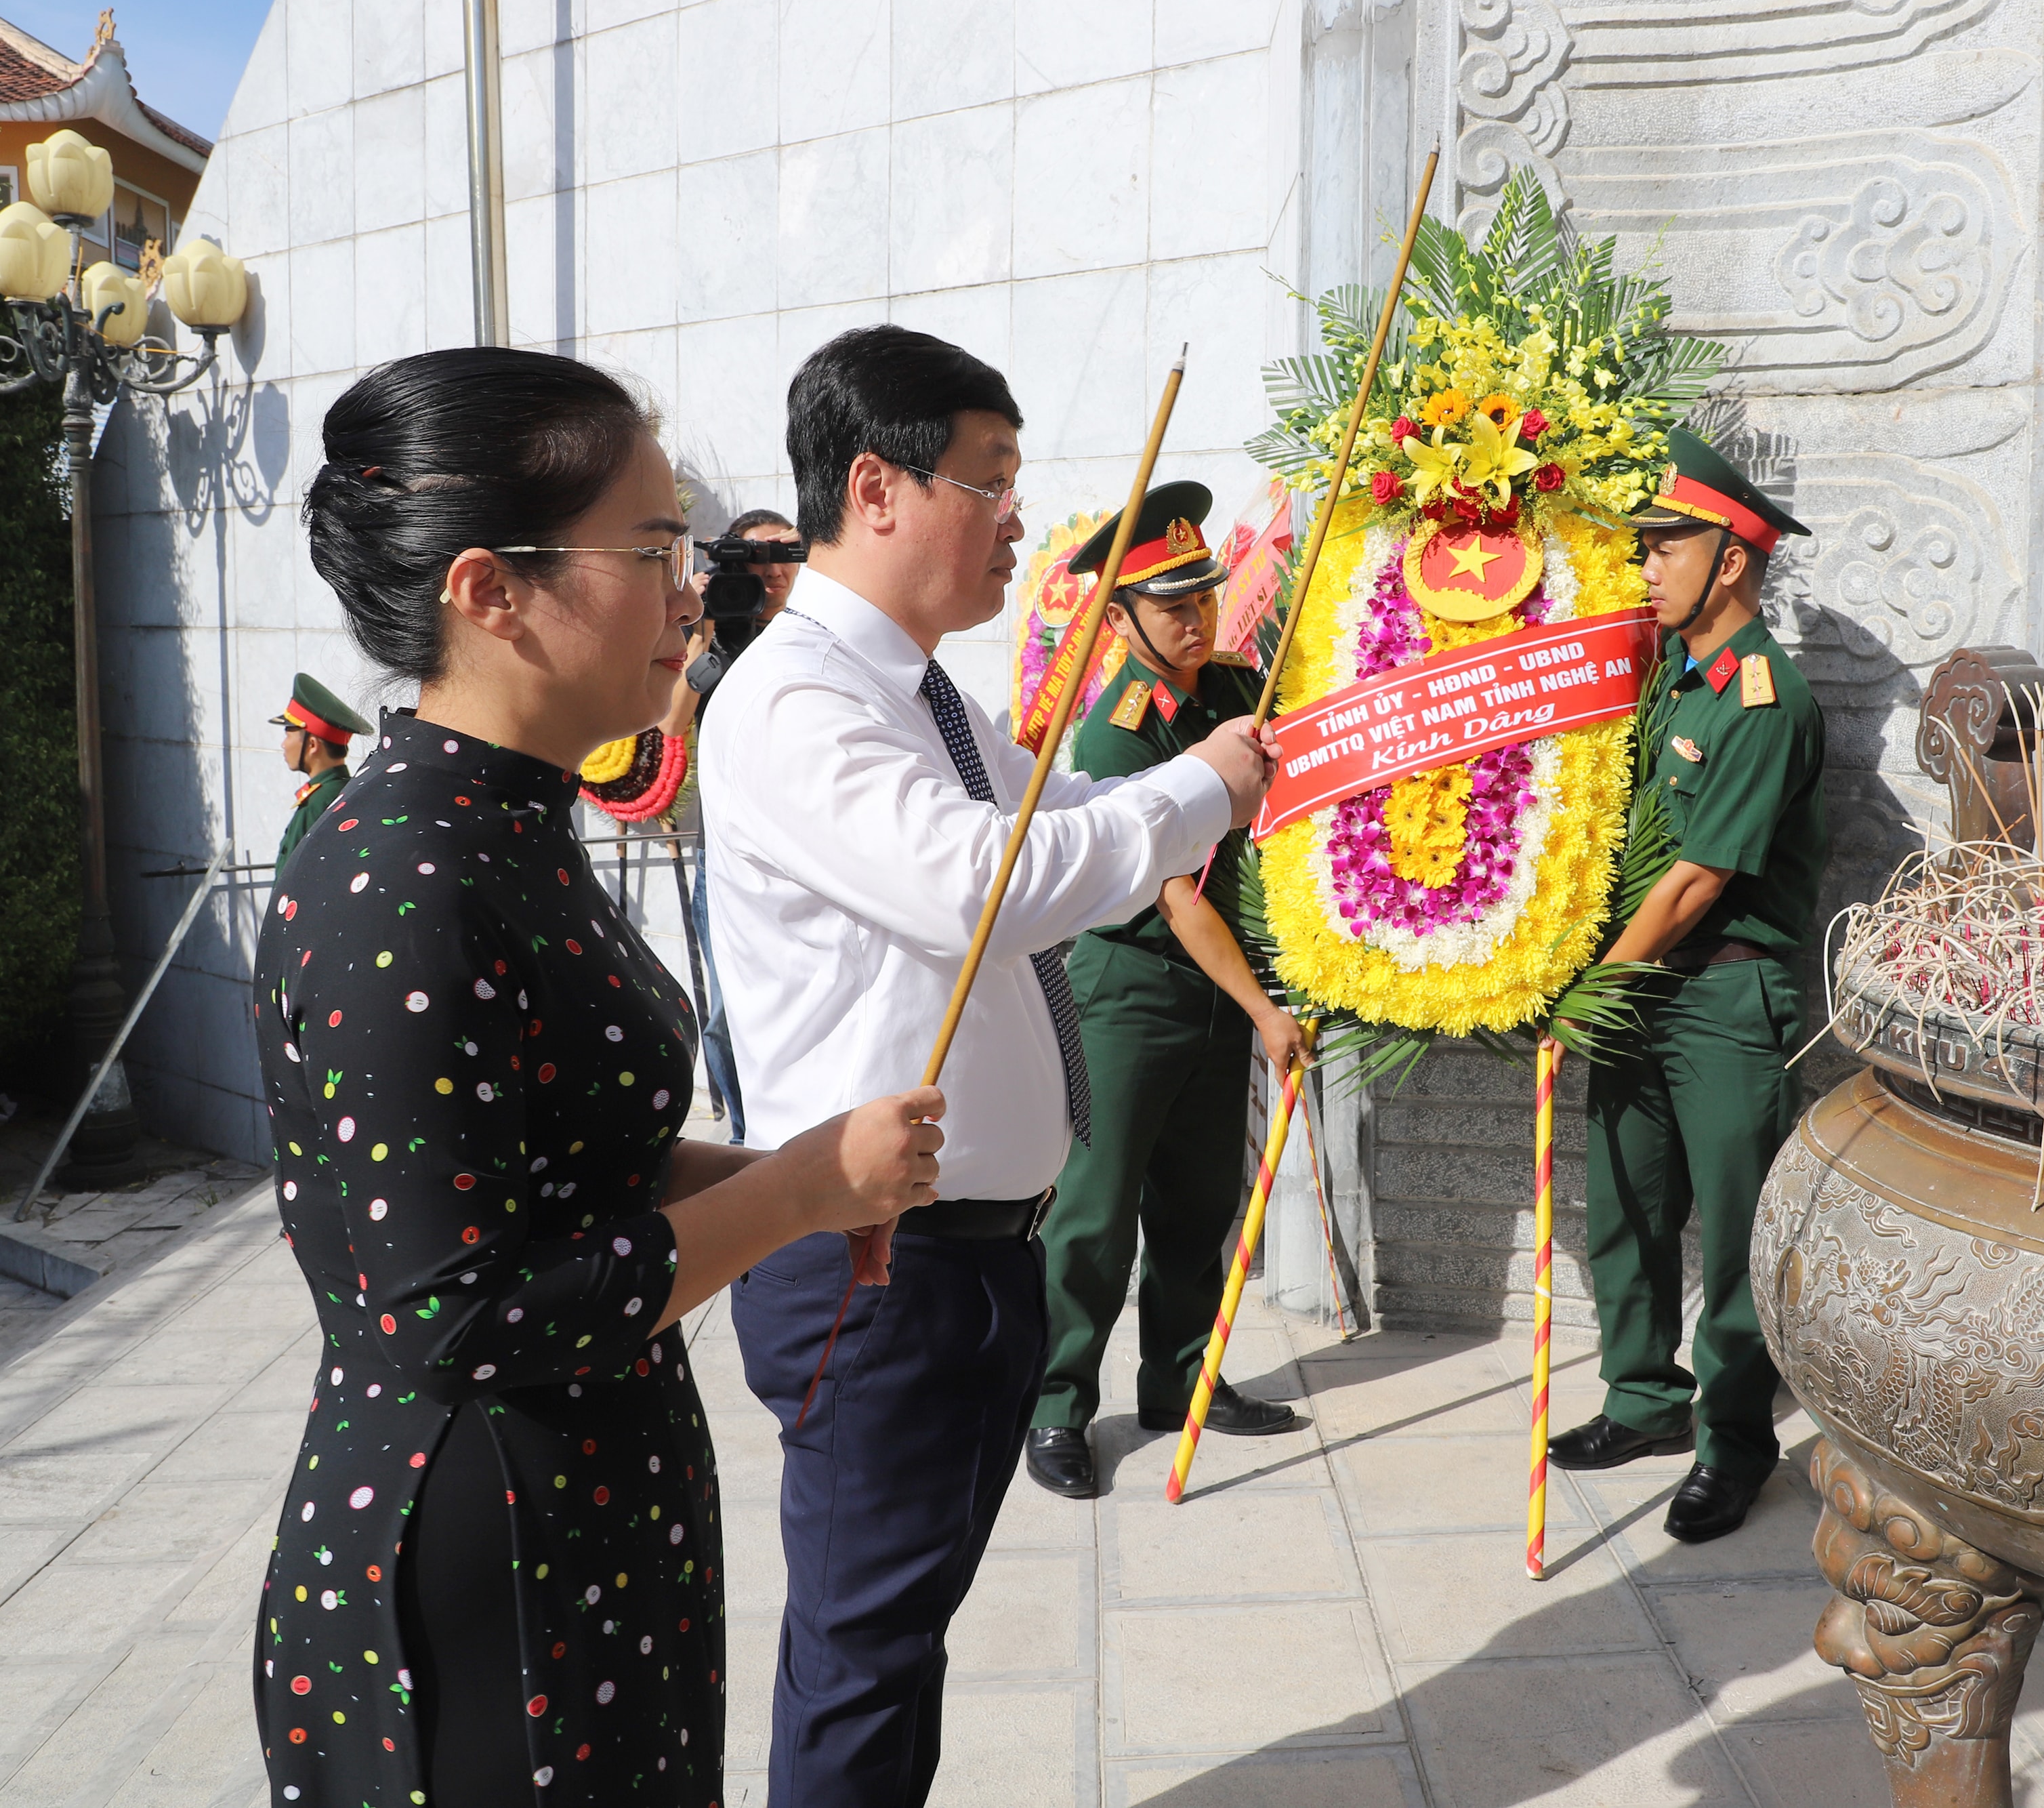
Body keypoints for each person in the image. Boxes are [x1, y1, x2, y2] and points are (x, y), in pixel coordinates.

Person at [253, 347, 946, 1808]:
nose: (693, 593)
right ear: (487, 590)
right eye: (651, 550)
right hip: (478, 1543)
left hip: (587, 1497)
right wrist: (804, 1186)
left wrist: (790, 1179)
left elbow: (573, 1163)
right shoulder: (405, 876)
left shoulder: (510, 817)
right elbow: (463, 1308)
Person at [698, 327, 1277, 1807]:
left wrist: (1223, 776)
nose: (1020, 519)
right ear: (879, 486)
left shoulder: (928, 694)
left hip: (971, 1259)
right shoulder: (796, 698)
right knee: (860, 1655)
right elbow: (989, 885)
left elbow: (1066, 816)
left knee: (902, 1645)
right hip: (873, 1263)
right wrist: (1196, 788)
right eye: (993, 481)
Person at [1544, 426, 1826, 1544]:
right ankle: (1643, 1401)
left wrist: (1590, 997)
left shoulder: (1764, 699)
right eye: (1646, 546)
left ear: (1734, 562)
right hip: (1639, 990)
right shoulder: (1668, 680)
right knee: (1625, 1205)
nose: (1647, 565)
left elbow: (1699, 879)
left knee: (1737, 1234)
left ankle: (1735, 1444)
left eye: (1669, 547)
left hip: (1717, 999)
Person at [1024, 482, 1306, 1500]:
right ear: (1120, 618)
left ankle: (1179, 1379)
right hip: (1132, 986)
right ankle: (1056, 1404)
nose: (1197, 620)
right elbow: (1178, 894)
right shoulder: (1117, 733)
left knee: (1198, 1201)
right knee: (1096, 1213)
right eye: (1173, 606)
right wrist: (1268, 1010)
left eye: (1206, 598)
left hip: (1214, 986)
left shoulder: (1233, 693)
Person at [681, 507, 803, 1142]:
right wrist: (702, 630)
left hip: (801, 849)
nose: (770, 571)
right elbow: (670, 724)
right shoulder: (714, 633)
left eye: (784, 556)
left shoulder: (816, 639)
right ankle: (743, 1135)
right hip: (724, 854)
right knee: (726, 1011)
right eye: (754, 559)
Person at [269, 671, 370, 874]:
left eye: (288, 736)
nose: (283, 744)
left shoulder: (318, 803)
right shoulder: (348, 789)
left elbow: (290, 879)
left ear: (312, 745)